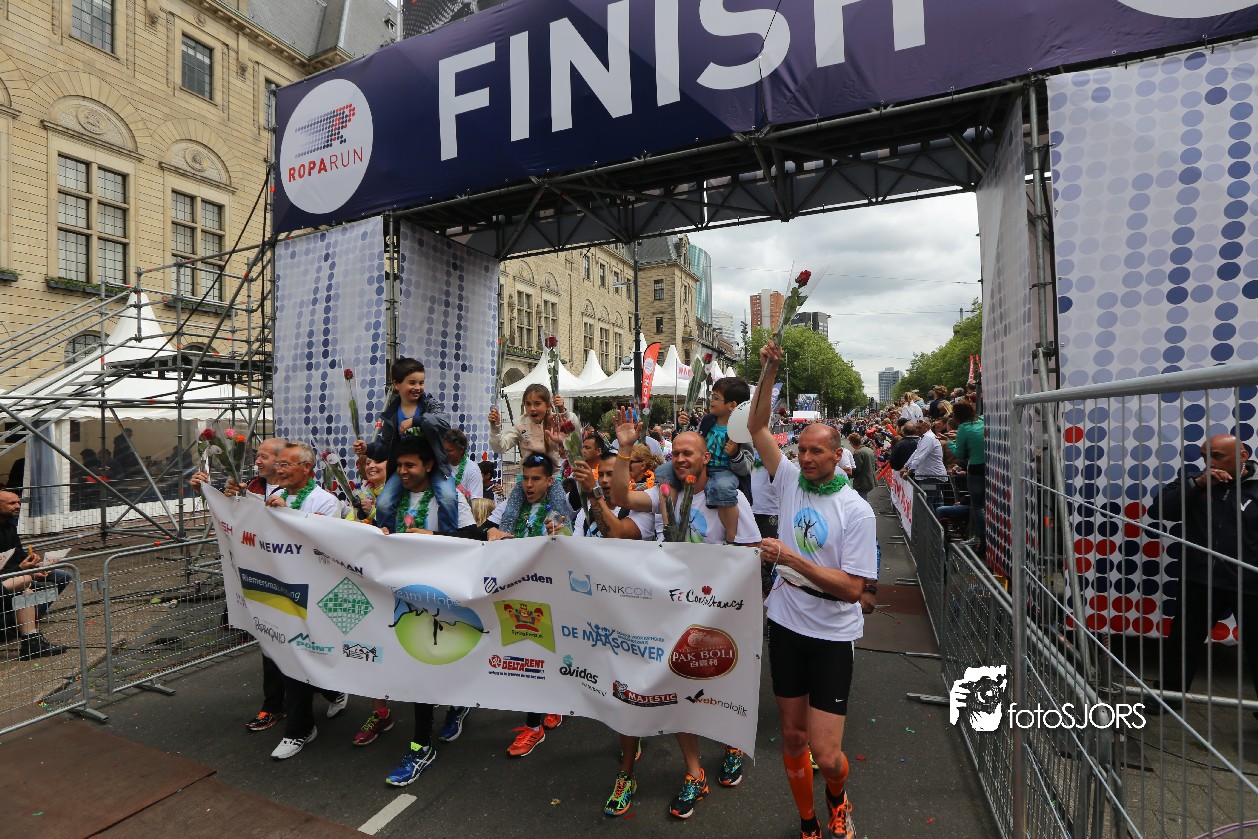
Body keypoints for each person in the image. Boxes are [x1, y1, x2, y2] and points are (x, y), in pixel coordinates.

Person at [748, 339, 877, 839]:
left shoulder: (855, 511)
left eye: (815, 451)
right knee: (793, 736)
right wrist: (768, 370)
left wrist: (790, 558)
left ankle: (838, 799)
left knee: (826, 752)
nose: (804, 458)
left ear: (837, 456)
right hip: (786, 621)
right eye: (801, 449)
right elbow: (757, 426)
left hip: (831, 633)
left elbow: (853, 589)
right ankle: (808, 823)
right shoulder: (787, 481)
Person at [611, 414, 760, 821]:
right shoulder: (665, 494)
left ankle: (731, 744)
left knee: (722, 685)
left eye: (688, 453)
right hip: (671, 614)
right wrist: (625, 448)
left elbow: (750, 552)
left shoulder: (727, 498)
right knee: (681, 689)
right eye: (675, 453)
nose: (679, 458)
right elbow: (621, 495)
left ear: (705, 457)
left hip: (719, 615)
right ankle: (694, 772)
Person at [366, 434, 482, 784]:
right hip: (401, 597)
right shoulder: (390, 501)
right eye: (398, 466)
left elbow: (475, 539)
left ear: (429, 465)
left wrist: (434, 539)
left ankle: (422, 745)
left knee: (431, 664)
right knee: (418, 668)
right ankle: (436, 725)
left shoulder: (451, 498)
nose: (402, 472)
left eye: (410, 465)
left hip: (442, 598)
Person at [191, 437, 322, 733]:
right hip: (264, 582)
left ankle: (323, 696)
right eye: (257, 456)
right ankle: (275, 706)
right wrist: (208, 493)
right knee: (270, 645)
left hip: (299, 588)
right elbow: (234, 520)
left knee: (300, 650)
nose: (258, 461)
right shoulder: (250, 487)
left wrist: (287, 513)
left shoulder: (310, 495)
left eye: (265, 457)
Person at [567, 451, 656, 817]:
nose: (603, 480)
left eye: (609, 474)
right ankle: (631, 743)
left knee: (628, 690)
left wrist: (593, 494)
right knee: (615, 690)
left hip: (635, 615)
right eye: (599, 474)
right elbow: (576, 550)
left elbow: (617, 534)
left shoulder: (641, 510)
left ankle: (626, 774)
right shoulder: (583, 511)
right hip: (597, 613)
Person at [1147, 434, 1258, 715]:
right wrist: (1198, 484)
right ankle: (1169, 696)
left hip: (1250, 582)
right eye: (1205, 456)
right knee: (1183, 640)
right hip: (1200, 578)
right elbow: (1161, 509)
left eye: (1217, 456)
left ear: (1242, 456)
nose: (1210, 462)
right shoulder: (1195, 481)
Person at [484, 453, 574, 756]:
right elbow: (485, 527)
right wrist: (491, 531)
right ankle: (552, 703)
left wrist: (558, 534)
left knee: (538, 657)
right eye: (525, 478)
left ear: (550, 481)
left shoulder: (558, 510)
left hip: (547, 595)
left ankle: (534, 727)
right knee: (529, 657)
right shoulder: (512, 505)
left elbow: (569, 541)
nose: (529, 485)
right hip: (515, 594)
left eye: (536, 479)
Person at [264, 442, 348, 760]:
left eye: (286, 464)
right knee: (290, 656)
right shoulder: (274, 495)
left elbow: (323, 544)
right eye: (278, 464)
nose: (279, 469)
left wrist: (286, 515)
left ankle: (302, 726)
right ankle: (303, 724)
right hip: (280, 590)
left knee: (304, 654)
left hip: (313, 592)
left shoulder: (325, 501)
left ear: (307, 468)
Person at [353, 357, 458, 537]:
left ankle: (448, 539)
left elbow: (444, 422)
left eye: (421, 383)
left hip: (434, 465)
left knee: (448, 498)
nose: (418, 387)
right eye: (412, 383)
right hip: (405, 468)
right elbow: (385, 448)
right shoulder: (391, 415)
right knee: (383, 503)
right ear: (396, 384)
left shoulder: (429, 404)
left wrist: (415, 421)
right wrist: (367, 449)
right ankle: (390, 538)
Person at [660, 377, 754, 545]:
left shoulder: (742, 429)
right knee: (663, 471)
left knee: (722, 487)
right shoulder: (708, 420)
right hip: (702, 466)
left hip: (725, 472)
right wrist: (682, 427)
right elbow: (695, 443)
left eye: (716, 398)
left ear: (732, 405)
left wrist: (735, 454)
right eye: (712, 396)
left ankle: (731, 536)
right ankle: (669, 525)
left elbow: (747, 466)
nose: (711, 400)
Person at [0, 490, 68, 659]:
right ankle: (25, 631)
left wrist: (33, 563)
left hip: (14, 574)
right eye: (12, 503)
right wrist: (22, 569)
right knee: (25, 585)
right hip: (9, 576)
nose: (18, 506)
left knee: (62, 576)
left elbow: (18, 554)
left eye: (18, 502)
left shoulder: (9, 525)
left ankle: (26, 624)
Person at [488, 384, 569, 470]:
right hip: (528, 475)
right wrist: (495, 428)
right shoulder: (520, 425)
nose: (532, 408)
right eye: (528, 404)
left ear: (548, 406)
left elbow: (573, 444)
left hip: (553, 475)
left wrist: (562, 411)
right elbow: (499, 447)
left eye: (537, 404)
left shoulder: (556, 421)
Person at [948, 402, 985, 549]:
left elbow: (959, 453)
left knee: (977, 506)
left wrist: (949, 443)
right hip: (990, 467)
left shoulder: (963, 428)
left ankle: (981, 537)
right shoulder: (983, 420)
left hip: (975, 468)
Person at [442, 428, 483, 502]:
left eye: (450, 451)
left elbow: (476, 502)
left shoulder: (473, 470)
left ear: (461, 450)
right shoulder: (440, 465)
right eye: (445, 450)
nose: (446, 453)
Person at [848, 434, 876, 501]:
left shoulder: (858, 453)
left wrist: (849, 475)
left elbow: (856, 469)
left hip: (862, 481)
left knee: (861, 500)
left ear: (852, 443)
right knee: (863, 498)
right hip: (870, 479)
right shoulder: (869, 450)